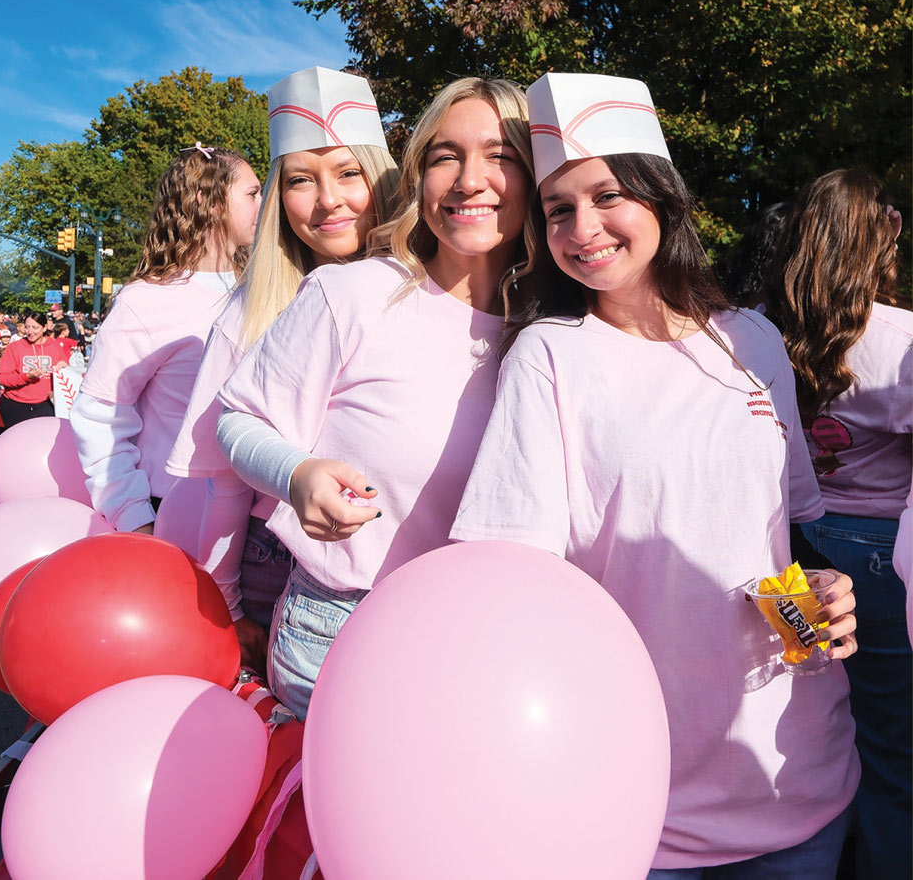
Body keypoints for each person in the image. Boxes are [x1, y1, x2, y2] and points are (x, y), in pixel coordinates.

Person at [450, 73, 859, 877]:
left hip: (795, 775)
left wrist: (829, 588)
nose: (583, 228)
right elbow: (513, 582)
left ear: (663, 199)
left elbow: (780, 540)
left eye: (607, 196)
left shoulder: (755, 343)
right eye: (559, 209)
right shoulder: (550, 357)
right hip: (636, 792)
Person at [216, 76, 538, 718]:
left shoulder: (559, 332)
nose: (469, 179)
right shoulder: (352, 294)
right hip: (340, 629)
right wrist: (298, 474)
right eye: (446, 156)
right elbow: (239, 418)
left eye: (500, 156)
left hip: (493, 645)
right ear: (418, 176)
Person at [166, 66, 400, 669]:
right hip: (277, 568)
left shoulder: (433, 291)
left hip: (407, 565)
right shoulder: (248, 314)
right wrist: (227, 602)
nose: (328, 200)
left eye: (348, 172)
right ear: (277, 196)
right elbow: (223, 478)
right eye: (301, 180)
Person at [766, 169, 912, 880]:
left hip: (791, 544)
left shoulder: (760, 332)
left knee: (806, 719)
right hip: (883, 559)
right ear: (882, 236)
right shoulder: (903, 340)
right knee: (892, 749)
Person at [69, 143, 262, 533]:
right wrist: (136, 519)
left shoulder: (267, 286)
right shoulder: (146, 300)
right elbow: (100, 417)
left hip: (263, 518)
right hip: (176, 513)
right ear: (208, 200)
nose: (266, 203)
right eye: (253, 193)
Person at [0, 311, 70, 428]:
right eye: (27, 327)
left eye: (35, 328)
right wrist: (26, 377)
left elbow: (66, 375)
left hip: (45, 404)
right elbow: (3, 378)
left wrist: (64, 368)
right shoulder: (14, 347)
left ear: (44, 327)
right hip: (16, 404)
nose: (30, 332)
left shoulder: (55, 347)